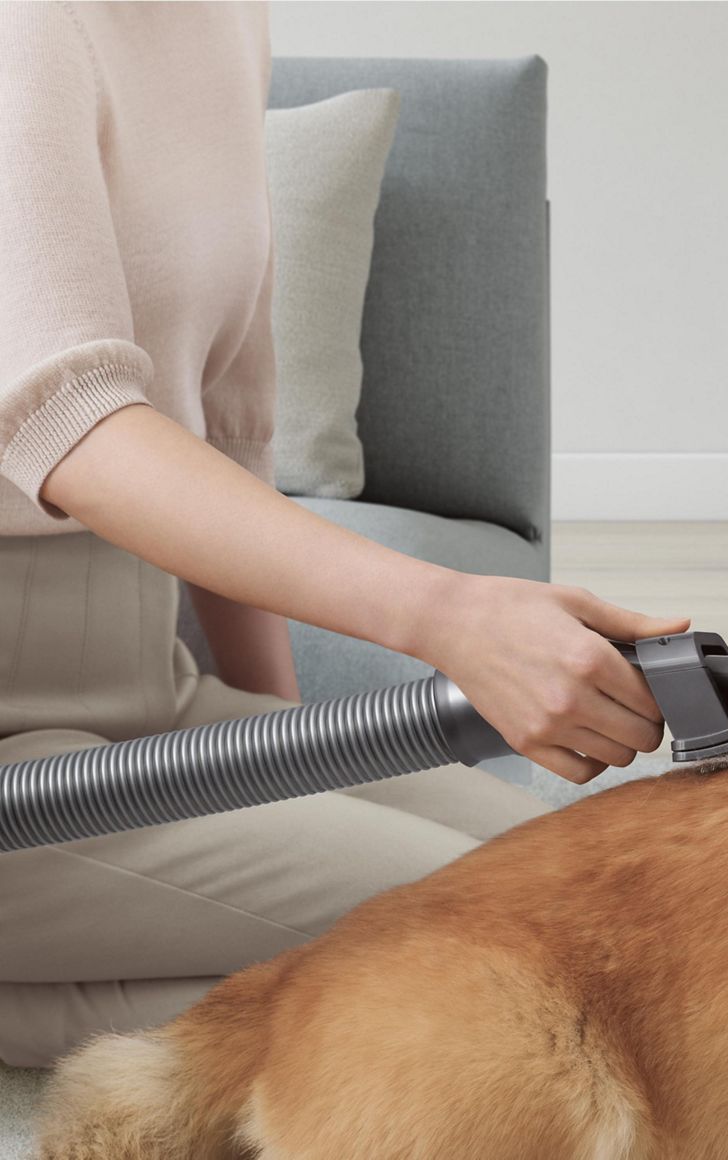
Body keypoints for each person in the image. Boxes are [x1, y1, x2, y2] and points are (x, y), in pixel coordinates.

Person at [0, 2, 685, 1067]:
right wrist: (451, 614)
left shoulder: (222, 19)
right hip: (16, 759)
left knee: (610, 884)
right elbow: (70, 427)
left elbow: (227, 422)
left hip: (147, 689)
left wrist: (289, 748)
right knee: (529, 948)